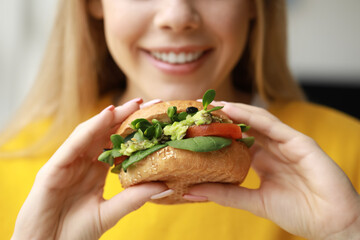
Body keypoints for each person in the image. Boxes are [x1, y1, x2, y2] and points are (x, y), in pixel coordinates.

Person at [1, 0, 359, 239]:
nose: (176, 16)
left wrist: (349, 231)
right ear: (95, 4)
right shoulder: (15, 167)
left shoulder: (348, 151)